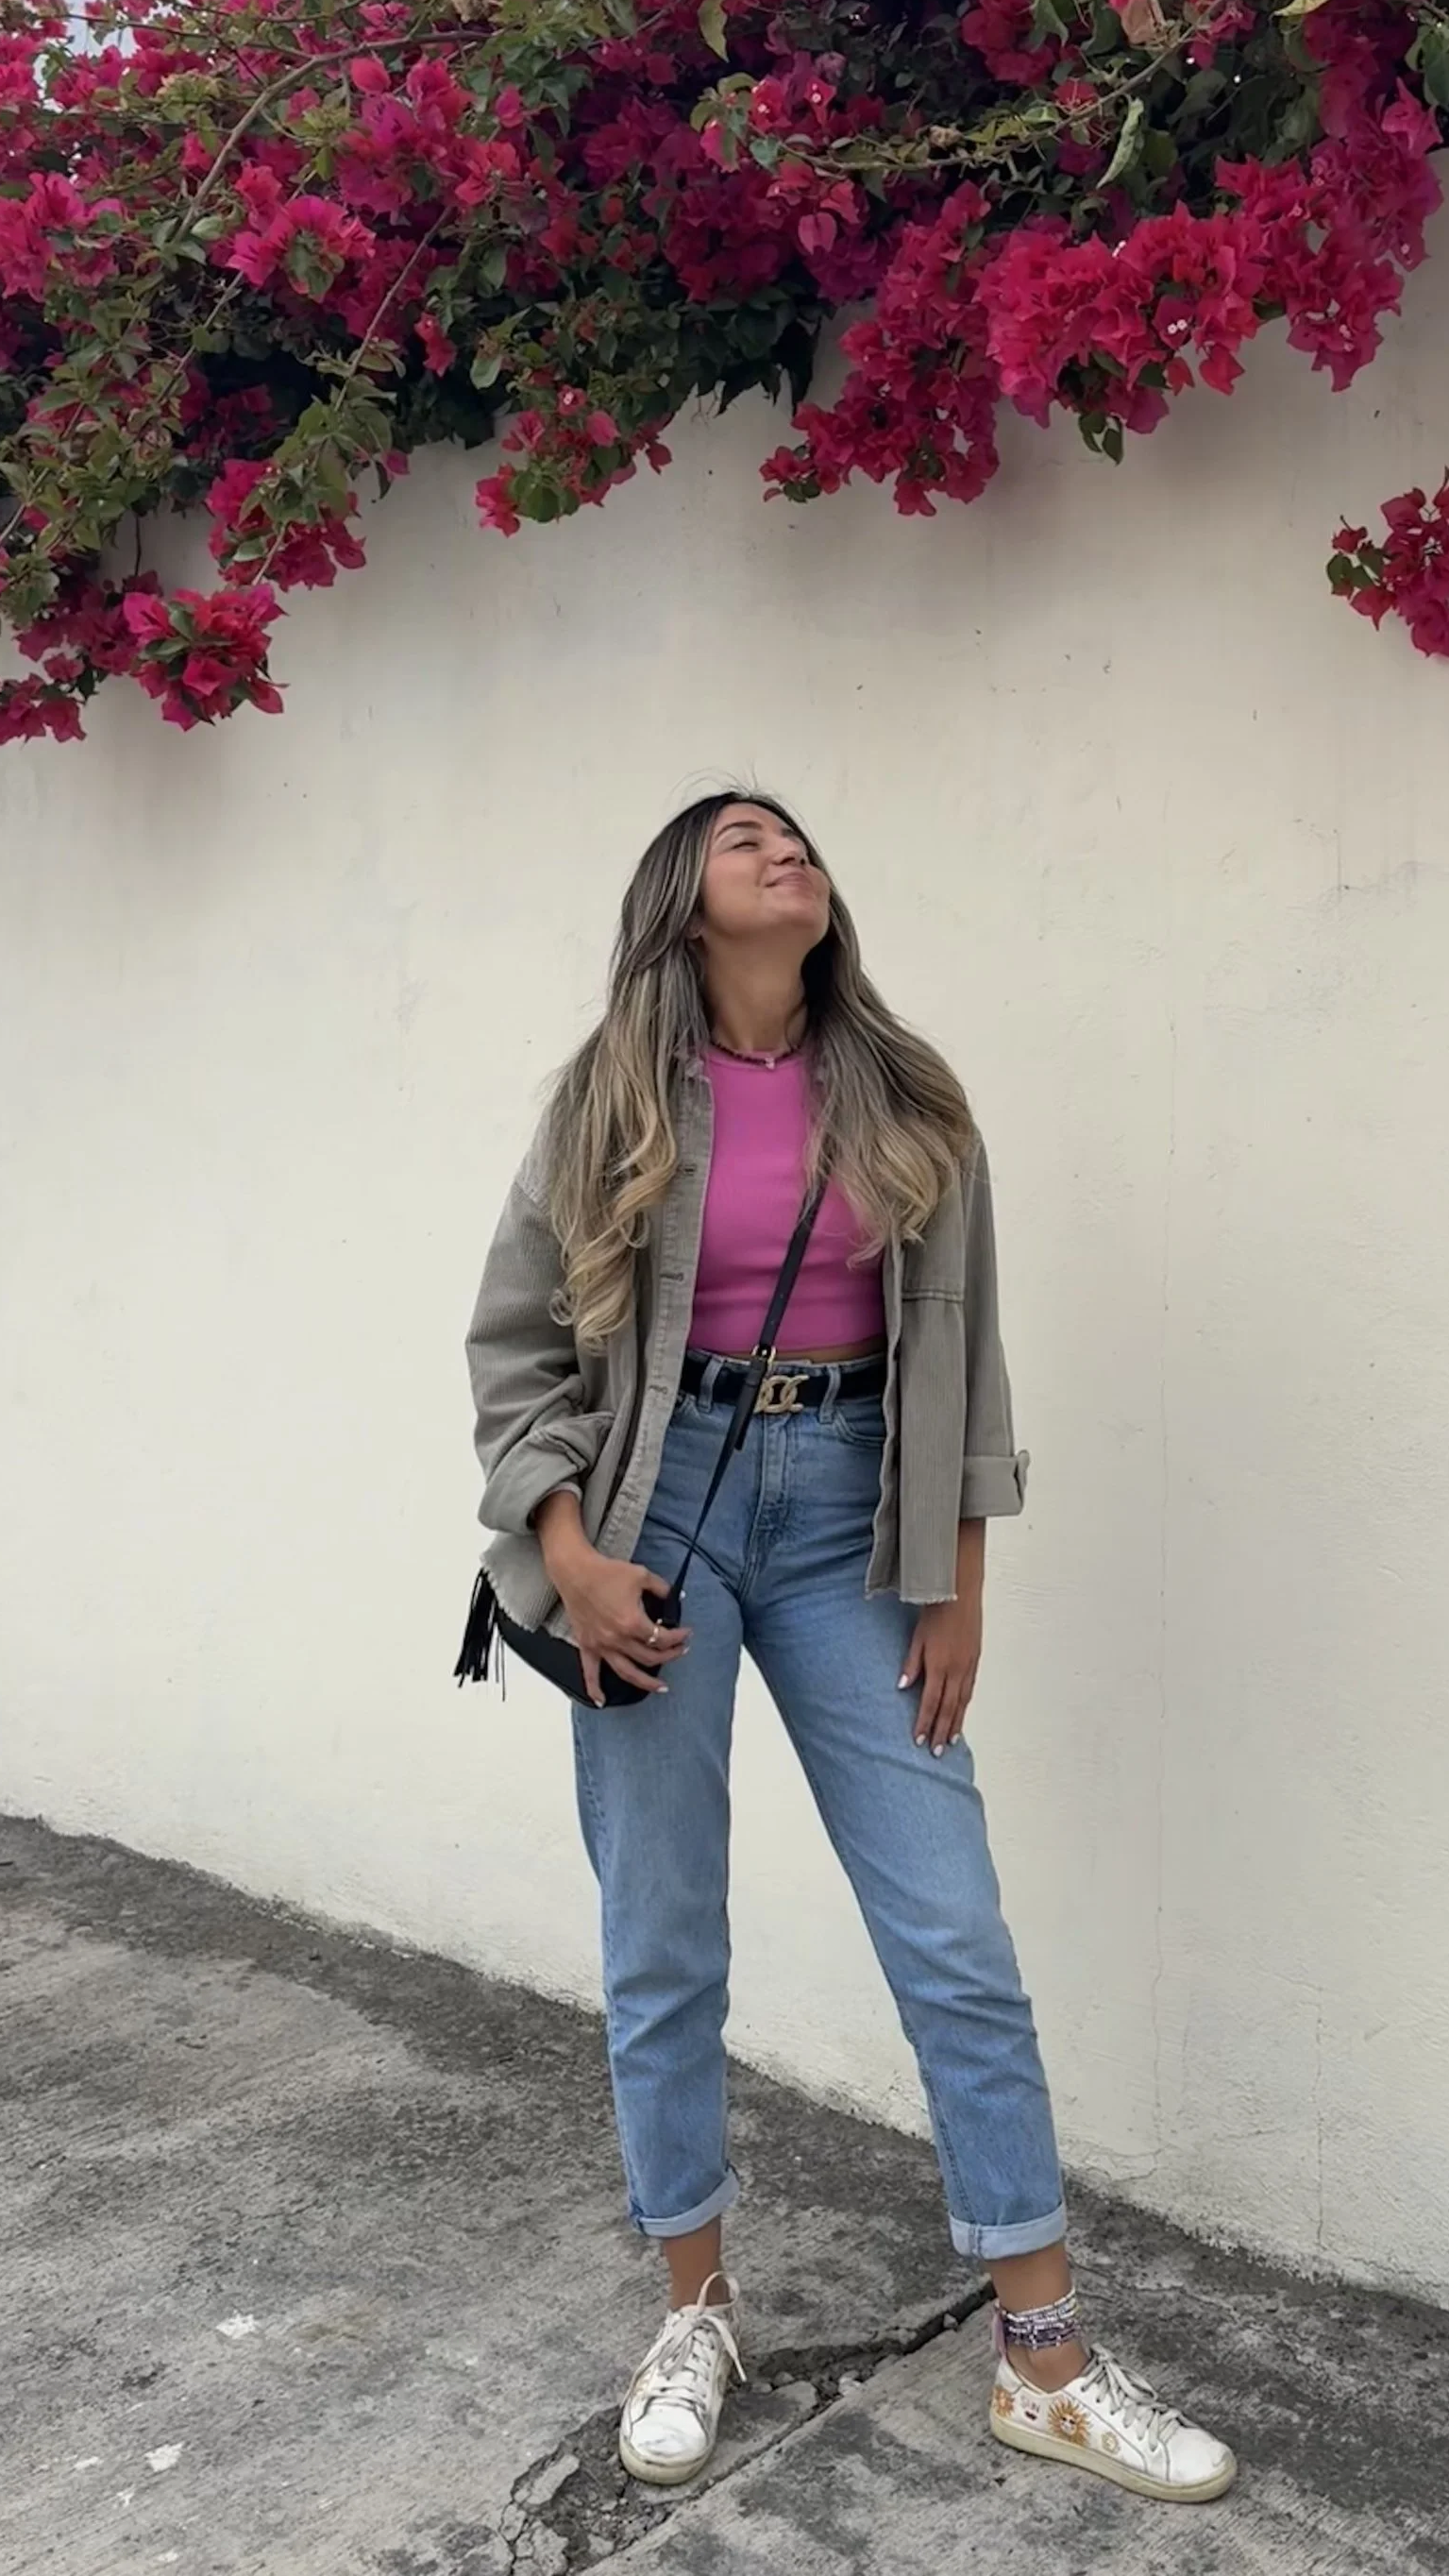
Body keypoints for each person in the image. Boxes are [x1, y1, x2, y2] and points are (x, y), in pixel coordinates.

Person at [463, 791, 1236, 2504]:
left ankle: (1044, 2354)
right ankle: (693, 2310)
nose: (783, 850)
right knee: (665, 1932)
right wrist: (573, 1557)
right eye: (744, 839)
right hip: (652, 1527)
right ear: (684, 897)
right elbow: (513, 1351)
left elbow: (970, 1362)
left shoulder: (910, 1096)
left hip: (848, 1525)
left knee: (953, 1930)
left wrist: (957, 1580)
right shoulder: (604, 1099)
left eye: (796, 835)